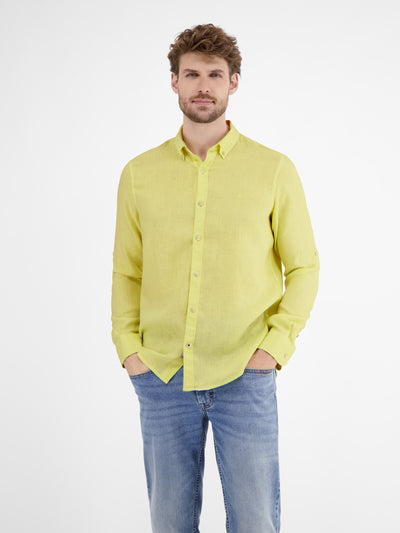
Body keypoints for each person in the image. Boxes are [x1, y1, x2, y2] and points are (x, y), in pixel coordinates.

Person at [111, 23, 319, 533]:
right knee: (170, 523)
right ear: (174, 82)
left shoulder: (274, 170)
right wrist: (129, 349)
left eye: (214, 75)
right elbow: (127, 270)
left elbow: (304, 267)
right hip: (161, 374)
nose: (203, 86)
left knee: (255, 522)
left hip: (245, 372)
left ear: (234, 83)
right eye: (192, 75)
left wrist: (273, 349)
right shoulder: (139, 174)